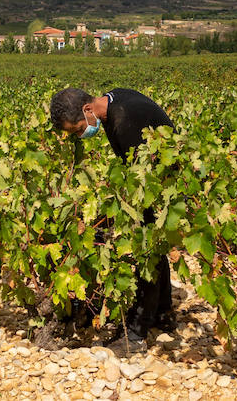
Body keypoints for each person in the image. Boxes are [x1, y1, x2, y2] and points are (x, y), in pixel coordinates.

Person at [49, 87, 175, 340]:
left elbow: (138, 175)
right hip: (152, 179)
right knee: (152, 246)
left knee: (145, 248)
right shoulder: (111, 102)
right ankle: (163, 314)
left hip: (159, 182)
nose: (81, 134)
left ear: (87, 110)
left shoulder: (124, 119)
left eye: (77, 129)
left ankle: (138, 332)